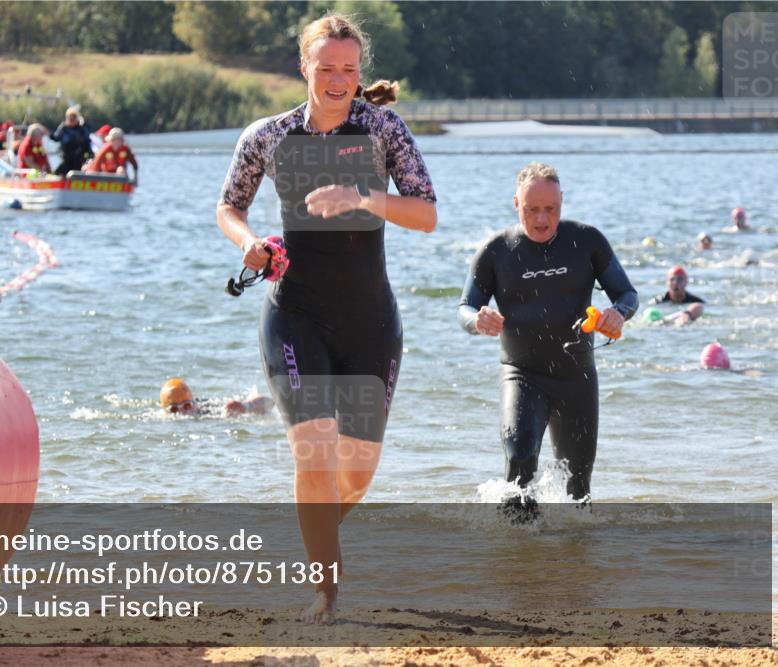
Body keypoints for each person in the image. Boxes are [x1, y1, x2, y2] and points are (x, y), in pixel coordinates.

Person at [216, 12, 436, 624]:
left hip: (370, 322)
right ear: (304, 68)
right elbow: (229, 206)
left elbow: (426, 213)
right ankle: (326, 590)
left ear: (358, 72)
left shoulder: (382, 129)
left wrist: (362, 197)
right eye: (326, 67)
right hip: (295, 315)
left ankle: (314, 538)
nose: (338, 79)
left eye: (349, 68)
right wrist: (248, 242)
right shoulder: (269, 135)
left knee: (355, 477)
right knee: (313, 455)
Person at [458, 163, 637, 508]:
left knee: (578, 487)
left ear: (562, 202)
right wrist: (477, 320)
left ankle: (569, 559)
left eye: (550, 209)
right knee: (520, 465)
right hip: (522, 375)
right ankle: (520, 555)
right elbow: (465, 307)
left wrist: (618, 314)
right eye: (532, 210)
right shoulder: (497, 251)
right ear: (515, 204)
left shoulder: (586, 241)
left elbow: (627, 294)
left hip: (577, 378)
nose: (542, 219)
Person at [159, 378, 273, 417]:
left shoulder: (209, 409)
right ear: (165, 412)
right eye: (174, 409)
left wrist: (245, 406)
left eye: (187, 406)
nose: (182, 412)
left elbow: (270, 402)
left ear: (193, 403)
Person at [51, 106, 94, 175]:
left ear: (77, 118)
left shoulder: (82, 130)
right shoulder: (63, 128)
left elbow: (88, 146)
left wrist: (87, 160)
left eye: (74, 117)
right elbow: (55, 138)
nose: (71, 119)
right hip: (66, 160)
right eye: (69, 117)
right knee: (58, 173)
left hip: (78, 161)